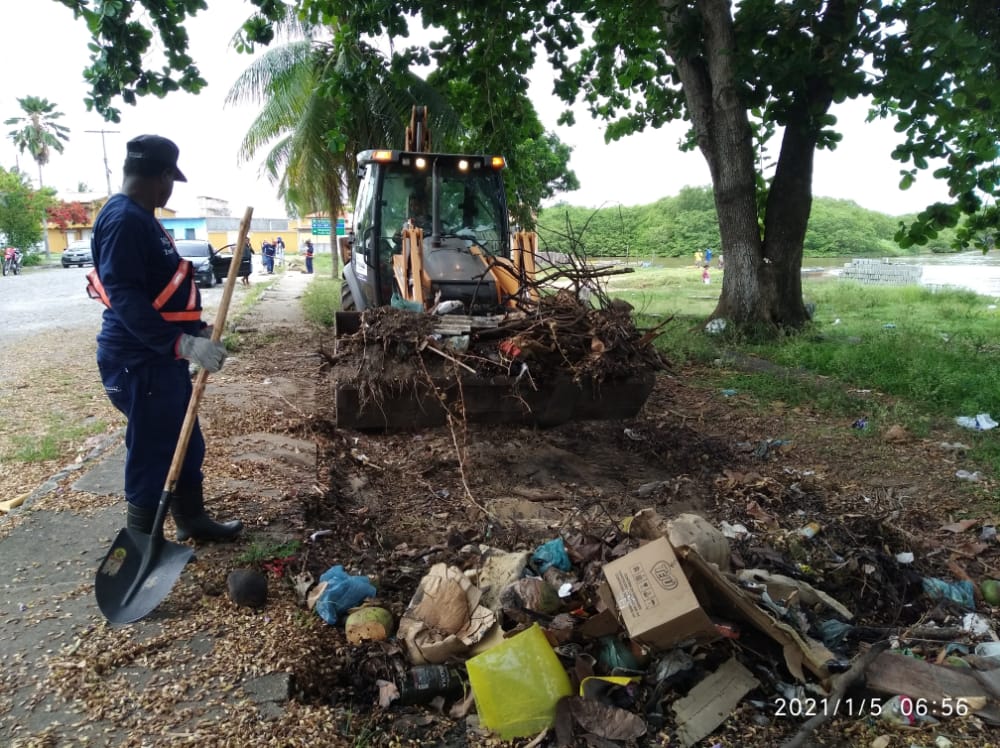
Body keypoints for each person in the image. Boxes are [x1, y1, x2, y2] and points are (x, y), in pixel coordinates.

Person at [87, 134, 242, 542]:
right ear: (161, 178)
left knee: (186, 441)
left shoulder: (140, 216)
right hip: (138, 361)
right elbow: (124, 296)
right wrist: (183, 345)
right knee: (154, 448)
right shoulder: (123, 220)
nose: (170, 188)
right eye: (170, 180)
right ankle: (142, 541)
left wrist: (197, 332)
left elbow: (161, 293)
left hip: (159, 359)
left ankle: (192, 519)